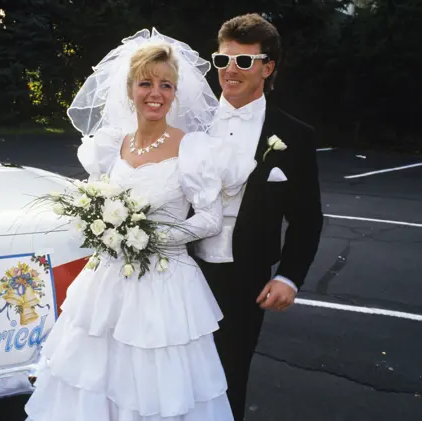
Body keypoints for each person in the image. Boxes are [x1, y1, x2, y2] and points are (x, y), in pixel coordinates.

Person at [24, 29, 256, 421]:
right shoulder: (111, 144)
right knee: (95, 377)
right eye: (146, 83)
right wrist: (103, 227)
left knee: (156, 384)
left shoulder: (193, 148)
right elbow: (97, 196)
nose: (156, 93)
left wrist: (152, 239)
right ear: (130, 89)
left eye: (166, 85)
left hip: (164, 285)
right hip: (107, 284)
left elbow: (210, 219)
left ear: (175, 92)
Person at [193, 13, 324, 418]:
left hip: (245, 276)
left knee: (229, 372)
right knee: (175, 368)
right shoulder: (188, 124)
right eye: (222, 60)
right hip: (183, 267)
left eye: (244, 62)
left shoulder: (295, 135)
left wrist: (289, 276)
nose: (230, 71)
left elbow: (307, 218)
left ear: (268, 68)